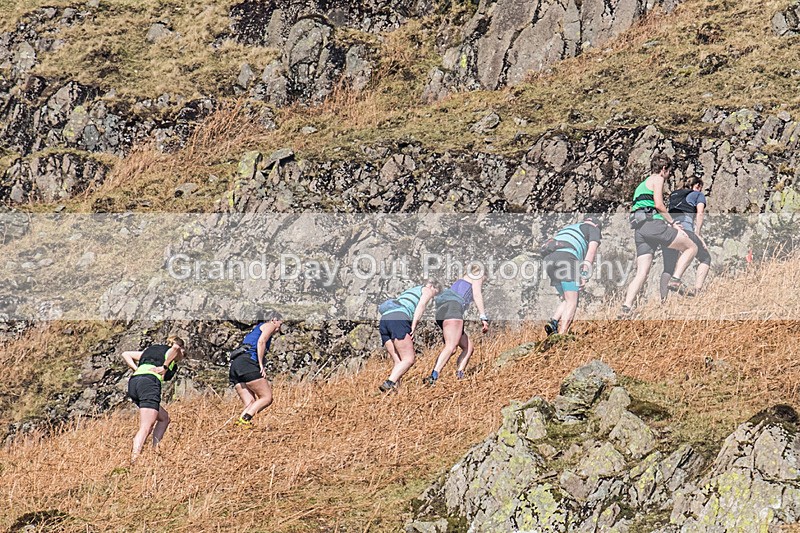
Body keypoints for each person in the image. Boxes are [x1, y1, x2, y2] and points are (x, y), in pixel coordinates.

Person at [620, 154, 697, 317]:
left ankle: (626, 308)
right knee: (691, 247)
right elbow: (659, 205)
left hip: (639, 229)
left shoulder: (641, 185)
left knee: (642, 272)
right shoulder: (658, 179)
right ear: (663, 169)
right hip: (653, 224)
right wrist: (672, 223)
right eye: (669, 171)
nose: (668, 175)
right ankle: (676, 279)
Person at [121, 336, 186, 464]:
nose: (183, 357)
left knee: (164, 418)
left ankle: (155, 451)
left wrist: (136, 369)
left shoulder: (150, 352)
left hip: (134, 383)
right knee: (146, 426)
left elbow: (126, 354)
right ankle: (134, 460)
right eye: (185, 353)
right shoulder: (171, 351)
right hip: (149, 383)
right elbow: (176, 348)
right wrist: (165, 367)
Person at [423, 265, 489, 385]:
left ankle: (460, 375)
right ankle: (433, 377)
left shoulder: (462, 279)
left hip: (442, 312)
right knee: (451, 347)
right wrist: (483, 316)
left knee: (468, 347)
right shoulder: (477, 276)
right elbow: (477, 294)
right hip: (454, 309)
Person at [377, 280, 442, 392]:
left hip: (384, 320)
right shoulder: (427, 290)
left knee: (399, 361)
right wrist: (413, 326)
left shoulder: (409, 291)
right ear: (431, 286)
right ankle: (389, 383)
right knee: (409, 359)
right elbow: (420, 306)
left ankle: (396, 392)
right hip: (399, 318)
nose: (432, 296)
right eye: (435, 293)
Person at [542, 216, 602, 336]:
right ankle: (563, 334)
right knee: (573, 301)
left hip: (549, 260)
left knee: (566, 298)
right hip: (567, 257)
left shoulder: (570, 228)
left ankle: (553, 322)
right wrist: (584, 274)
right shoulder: (594, 229)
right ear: (597, 226)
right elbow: (591, 251)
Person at [228, 311, 283, 427]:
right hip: (248, 363)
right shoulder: (269, 325)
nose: (279, 327)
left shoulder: (255, 330)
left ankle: (240, 426)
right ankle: (246, 420)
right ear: (274, 319)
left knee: (250, 403)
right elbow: (261, 341)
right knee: (267, 397)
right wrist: (260, 365)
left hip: (236, 365)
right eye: (280, 323)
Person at [660, 177, 711, 300]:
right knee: (705, 258)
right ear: (697, 185)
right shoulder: (698, 195)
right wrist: (697, 233)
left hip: (670, 231)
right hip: (685, 230)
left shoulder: (674, 195)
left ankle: (663, 301)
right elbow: (700, 213)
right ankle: (697, 291)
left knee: (668, 267)